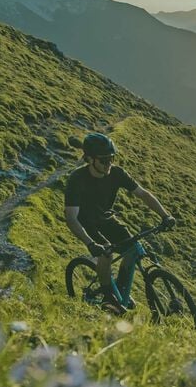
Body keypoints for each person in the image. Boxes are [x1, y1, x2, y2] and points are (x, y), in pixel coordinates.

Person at [63, 132, 175, 314]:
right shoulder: (77, 180)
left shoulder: (116, 173)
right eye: (104, 160)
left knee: (134, 249)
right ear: (90, 159)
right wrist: (90, 243)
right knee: (105, 252)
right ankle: (109, 298)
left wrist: (165, 215)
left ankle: (121, 290)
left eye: (111, 158)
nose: (109, 164)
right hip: (86, 222)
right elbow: (71, 218)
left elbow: (143, 194)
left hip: (106, 219)